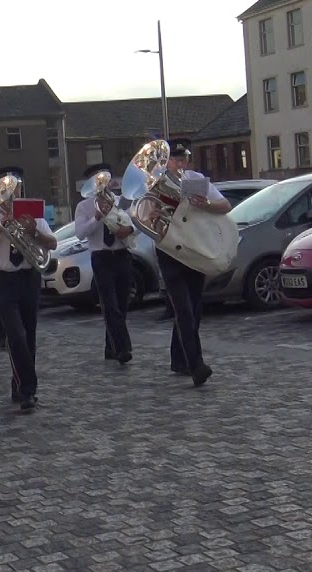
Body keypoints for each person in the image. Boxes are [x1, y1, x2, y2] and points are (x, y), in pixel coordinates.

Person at [0, 167, 58, 410]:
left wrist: (34, 231)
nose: (11, 192)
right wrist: (0, 228)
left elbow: (53, 243)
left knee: (28, 336)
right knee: (16, 336)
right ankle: (28, 389)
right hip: (3, 279)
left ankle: (20, 387)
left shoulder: (31, 213)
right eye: (5, 187)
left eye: (15, 186)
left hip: (29, 277)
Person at [154, 139, 229, 387]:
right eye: (176, 160)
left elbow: (225, 205)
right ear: (167, 161)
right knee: (183, 309)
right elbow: (141, 215)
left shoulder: (195, 179)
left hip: (194, 248)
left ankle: (179, 359)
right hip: (170, 250)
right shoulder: (154, 182)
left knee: (194, 309)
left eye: (184, 159)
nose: (181, 164)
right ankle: (197, 365)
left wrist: (206, 203)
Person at [74, 163, 136, 365]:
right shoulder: (84, 207)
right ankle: (122, 348)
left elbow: (133, 225)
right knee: (110, 305)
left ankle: (111, 347)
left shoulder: (120, 201)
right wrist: (97, 217)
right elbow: (81, 234)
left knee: (122, 304)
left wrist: (126, 229)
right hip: (101, 257)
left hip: (121, 254)